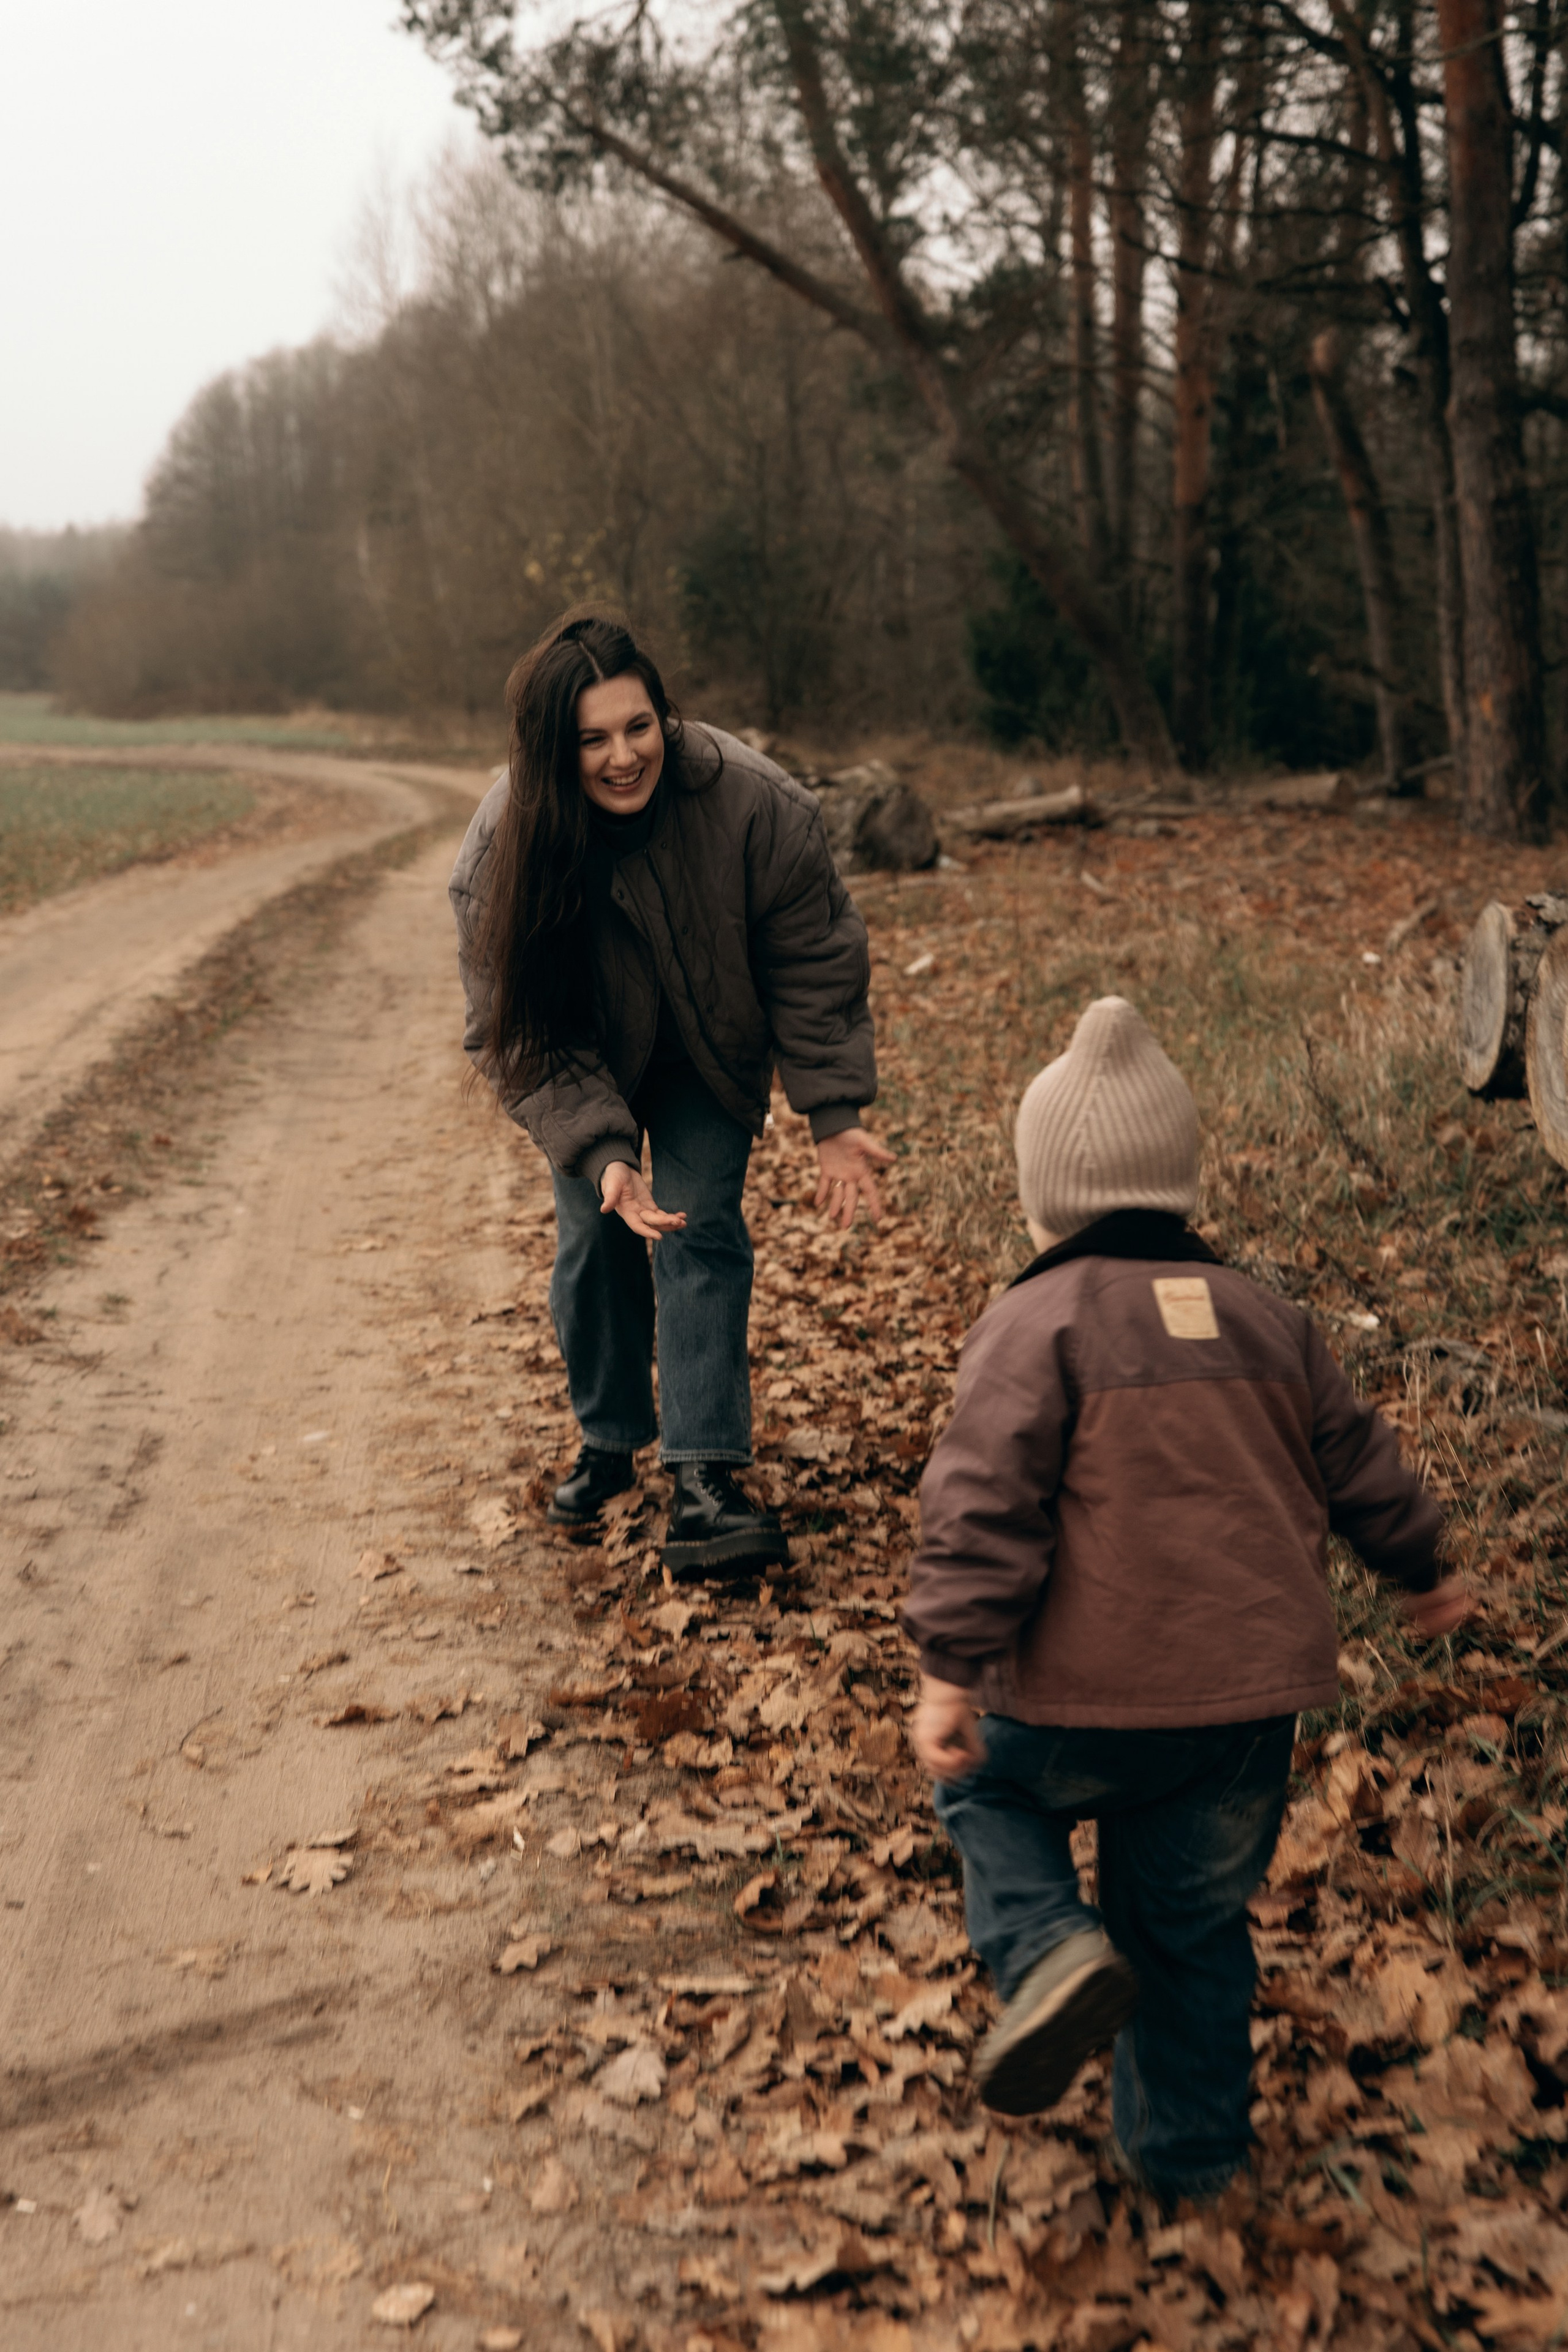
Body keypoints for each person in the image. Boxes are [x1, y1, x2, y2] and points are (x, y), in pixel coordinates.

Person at [903, 996, 1465, 2207]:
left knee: (979, 1785)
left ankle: (1049, 1951)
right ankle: (1188, 2159)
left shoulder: (1033, 1321)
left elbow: (977, 1500)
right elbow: (1363, 1463)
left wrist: (948, 1667)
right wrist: (1419, 1570)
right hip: (1236, 1718)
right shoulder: (1269, 1319)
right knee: (1189, 1931)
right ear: (1181, 1186)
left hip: (1067, 1700)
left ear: (1041, 1196)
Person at [450, 613, 892, 1579]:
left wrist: (835, 1114)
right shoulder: (505, 843)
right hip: (583, 1062)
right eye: (592, 740)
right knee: (598, 1235)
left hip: (707, 1053)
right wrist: (604, 1151)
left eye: (638, 727)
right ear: (550, 750)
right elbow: (511, 1028)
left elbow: (813, 957)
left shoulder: (752, 801)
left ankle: (704, 1478)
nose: (622, 757)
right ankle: (609, 1440)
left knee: (698, 1226)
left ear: (666, 717)